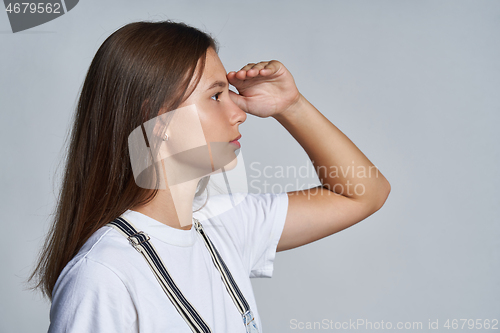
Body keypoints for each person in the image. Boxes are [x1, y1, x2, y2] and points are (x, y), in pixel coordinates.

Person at [27, 20, 391, 332]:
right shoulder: (103, 275)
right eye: (216, 96)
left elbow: (364, 194)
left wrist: (291, 106)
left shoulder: (223, 224)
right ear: (158, 122)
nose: (239, 112)